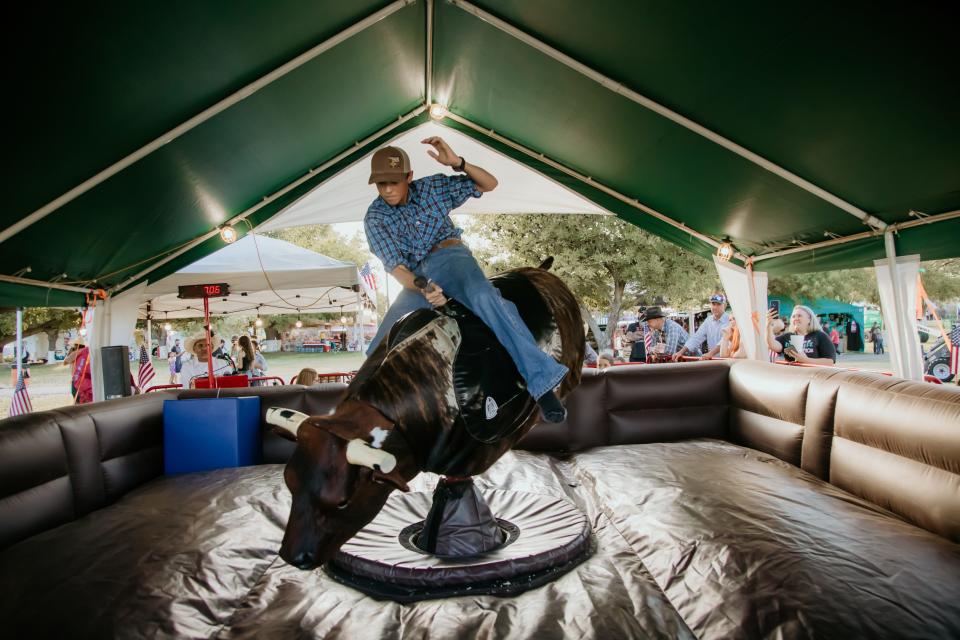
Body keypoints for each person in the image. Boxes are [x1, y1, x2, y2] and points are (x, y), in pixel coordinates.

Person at [362, 139, 569, 422]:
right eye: (380, 184)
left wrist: (458, 163)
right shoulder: (375, 216)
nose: (386, 190)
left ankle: (541, 382)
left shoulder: (433, 188)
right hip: (415, 277)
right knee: (381, 341)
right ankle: (368, 409)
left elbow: (489, 184)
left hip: (450, 257)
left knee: (484, 297)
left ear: (409, 177)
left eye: (393, 182)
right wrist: (424, 287)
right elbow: (397, 269)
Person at [766, 305, 836, 365]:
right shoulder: (787, 337)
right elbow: (772, 345)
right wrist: (769, 325)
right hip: (793, 377)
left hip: (813, 377)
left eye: (799, 316)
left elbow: (830, 361)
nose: (796, 318)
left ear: (809, 319)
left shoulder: (820, 336)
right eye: (793, 316)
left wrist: (804, 360)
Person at [675, 293, 729, 360]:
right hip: (713, 360)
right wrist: (681, 352)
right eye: (713, 304)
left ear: (725, 306)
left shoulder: (730, 320)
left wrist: (710, 354)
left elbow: (725, 341)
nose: (715, 307)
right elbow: (697, 337)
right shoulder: (708, 320)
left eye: (718, 304)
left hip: (728, 361)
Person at [624, 306, 690, 361]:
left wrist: (656, 350)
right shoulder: (656, 330)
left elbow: (669, 351)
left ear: (658, 320)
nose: (647, 324)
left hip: (692, 360)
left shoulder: (671, 327)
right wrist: (656, 350)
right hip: (680, 360)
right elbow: (651, 349)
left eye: (649, 321)